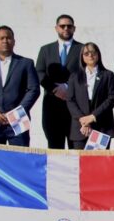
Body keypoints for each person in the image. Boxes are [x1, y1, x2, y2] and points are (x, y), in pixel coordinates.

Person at [35, 14, 83, 149]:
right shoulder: (46, 50)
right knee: (55, 146)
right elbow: (39, 72)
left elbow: (86, 73)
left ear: (74, 28)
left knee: (75, 147)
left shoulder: (82, 49)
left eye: (69, 26)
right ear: (56, 28)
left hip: (75, 105)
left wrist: (68, 87)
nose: (66, 29)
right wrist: (55, 89)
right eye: (62, 26)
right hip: (52, 105)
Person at [66, 43, 114, 149]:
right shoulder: (74, 76)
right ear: (82, 56)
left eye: (93, 52)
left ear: (98, 54)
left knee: (99, 163)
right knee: (81, 163)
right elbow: (70, 100)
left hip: (101, 126)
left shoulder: (108, 75)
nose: (90, 55)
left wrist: (92, 117)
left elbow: (111, 98)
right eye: (86, 53)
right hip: (80, 128)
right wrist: (83, 120)